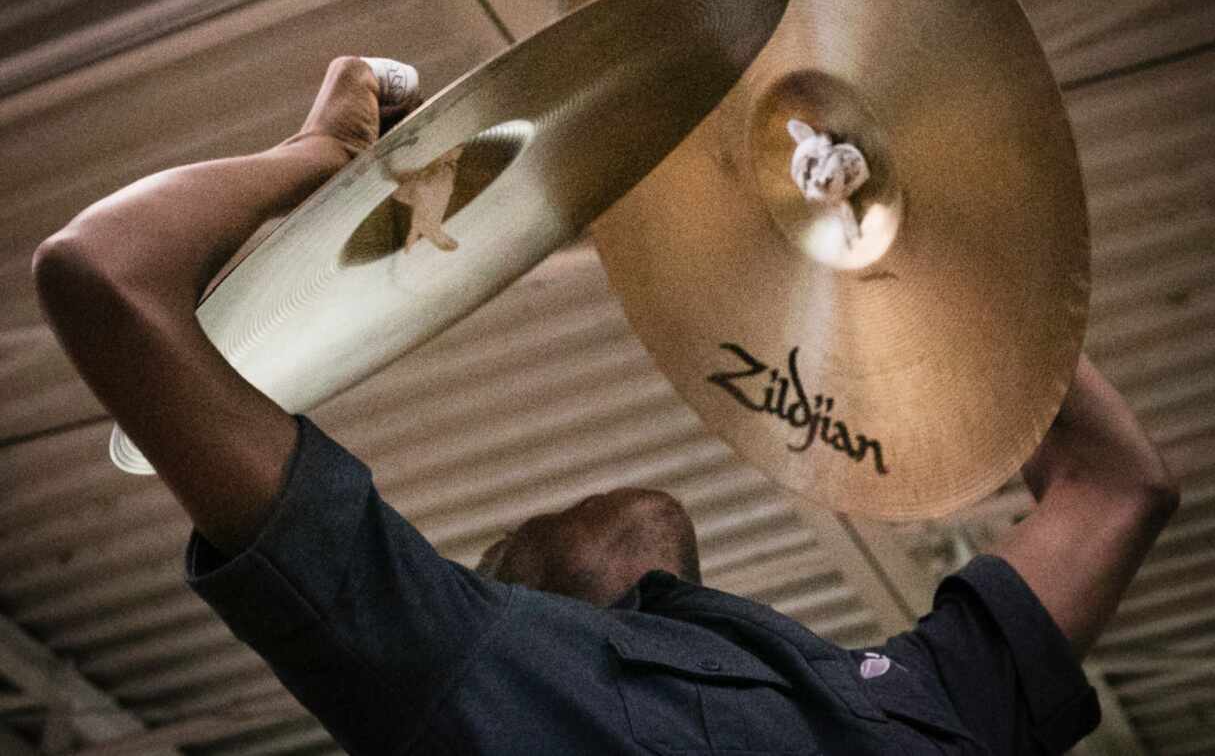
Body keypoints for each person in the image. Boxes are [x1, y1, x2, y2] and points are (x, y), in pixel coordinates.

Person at [33, 57, 1179, 755]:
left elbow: (1123, 486)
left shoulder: (906, 695)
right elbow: (104, 277)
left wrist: (898, 246)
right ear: (502, 588)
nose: (607, 509)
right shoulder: (451, 671)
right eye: (551, 527)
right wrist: (309, 156)